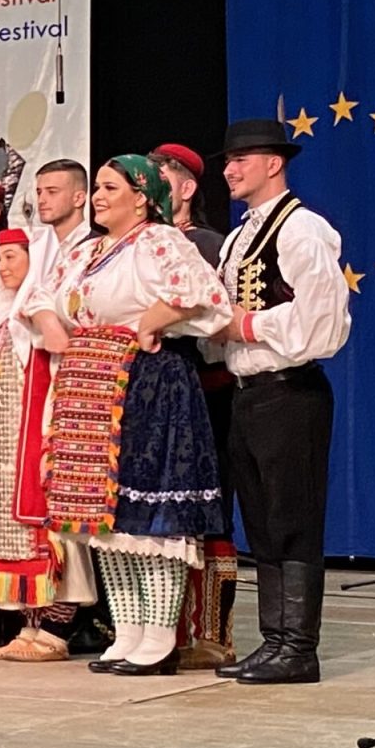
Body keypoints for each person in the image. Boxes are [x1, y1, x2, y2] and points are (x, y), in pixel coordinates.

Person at [26, 157, 232, 675]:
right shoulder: (89, 250)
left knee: (149, 513)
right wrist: (53, 324)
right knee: (107, 519)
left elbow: (205, 296)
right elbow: (41, 295)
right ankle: (128, 631)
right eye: (96, 187)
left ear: (141, 197)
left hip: (150, 382)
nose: (98, 197)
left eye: (109, 188)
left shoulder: (160, 241)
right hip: (93, 387)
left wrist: (152, 319)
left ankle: (158, 637)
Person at [209, 119, 350, 685]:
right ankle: (275, 640)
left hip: (290, 390)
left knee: (293, 518)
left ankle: (298, 647)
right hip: (249, 393)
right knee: (263, 522)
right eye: (227, 161)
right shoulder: (240, 236)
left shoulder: (301, 229)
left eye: (240, 160)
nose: (229, 170)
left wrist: (245, 325)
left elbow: (322, 322)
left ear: (274, 164)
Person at [0, 231, 85, 662]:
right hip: (4, 442)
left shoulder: (42, 313)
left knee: (49, 532)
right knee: (10, 532)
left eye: (12, 257)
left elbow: (57, 356)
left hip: (39, 434)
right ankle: (29, 626)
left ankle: (56, 629)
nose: (2, 267)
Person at [153, 142, 239, 668]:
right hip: (153, 393)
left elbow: (213, 318)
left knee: (210, 512)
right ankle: (165, 628)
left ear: (186, 189)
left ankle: (214, 634)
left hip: (205, 391)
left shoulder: (205, 244)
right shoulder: (137, 242)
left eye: (162, 181)